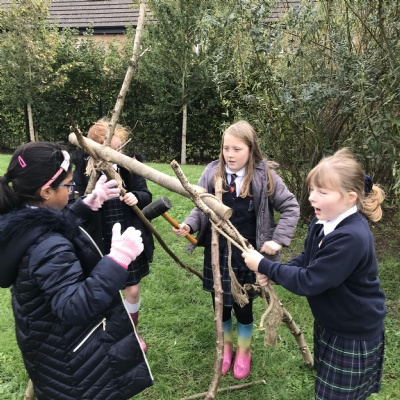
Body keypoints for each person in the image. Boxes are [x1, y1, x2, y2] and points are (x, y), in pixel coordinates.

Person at [0, 142, 154, 399]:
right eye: (68, 186)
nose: (72, 190)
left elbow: (45, 224)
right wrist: (118, 259)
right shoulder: (49, 246)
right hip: (73, 369)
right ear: (46, 192)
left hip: (52, 351)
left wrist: (85, 206)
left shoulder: (22, 223)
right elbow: (74, 306)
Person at [242, 148, 386, 399]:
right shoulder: (323, 222)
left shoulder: (352, 237)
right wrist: (276, 273)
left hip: (352, 332)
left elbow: (310, 281)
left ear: (350, 197)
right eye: (312, 190)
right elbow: (308, 259)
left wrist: (264, 266)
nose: (311, 198)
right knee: (328, 386)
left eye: (322, 192)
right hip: (331, 323)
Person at [173, 120, 300, 379]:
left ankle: (243, 350)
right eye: (226, 148)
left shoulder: (265, 176)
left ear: (251, 149)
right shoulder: (212, 172)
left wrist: (277, 240)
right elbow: (200, 206)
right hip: (218, 252)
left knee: (243, 305)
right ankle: (226, 347)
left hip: (247, 254)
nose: (229, 154)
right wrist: (189, 225)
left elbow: (290, 206)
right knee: (220, 303)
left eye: (237, 149)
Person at [73, 118, 154, 352]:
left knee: (132, 289)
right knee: (104, 292)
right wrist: (91, 200)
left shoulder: (129, 165)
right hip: (100, 238)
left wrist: (137, 197)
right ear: (95, 148)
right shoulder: (84, 169)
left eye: (120, 148)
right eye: (112, 149)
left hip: (127, 236)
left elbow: (145, 193)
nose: (118, 154)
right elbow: (75, 205)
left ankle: (132, 331)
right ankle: (110, 332)